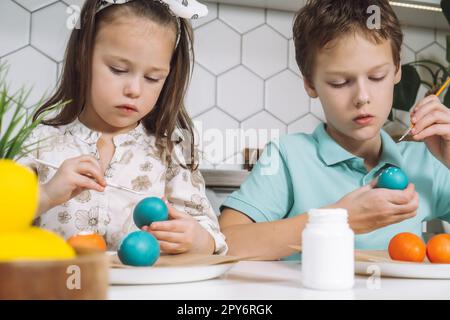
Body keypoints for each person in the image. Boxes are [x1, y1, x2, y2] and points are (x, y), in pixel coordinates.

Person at [219, 0, 450, 260]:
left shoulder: (425, 162)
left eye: (377, 77)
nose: (362, 97)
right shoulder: (288, 157)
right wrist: (339, 219)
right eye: (339, 82)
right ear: (310, 84)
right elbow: (227, 242)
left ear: (397, 70)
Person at [19, 0, 226, 255]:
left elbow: (211, 235)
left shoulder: (169, 151)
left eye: (152, 78)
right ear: (82, 58)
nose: (134, 90)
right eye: (118, 70)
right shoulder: (38, 144)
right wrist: (46, 197)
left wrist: (197, 240)